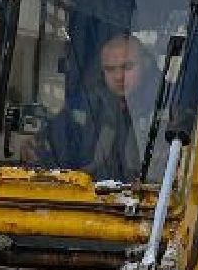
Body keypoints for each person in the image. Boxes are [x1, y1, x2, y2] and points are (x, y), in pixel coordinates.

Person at [40, 33, 163, 180]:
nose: (119, 77)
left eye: (127, 67)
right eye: (110, 69)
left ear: (146, 64)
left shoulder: (168, 106)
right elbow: (53, 138)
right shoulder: (86, 105)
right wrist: (36, 145)